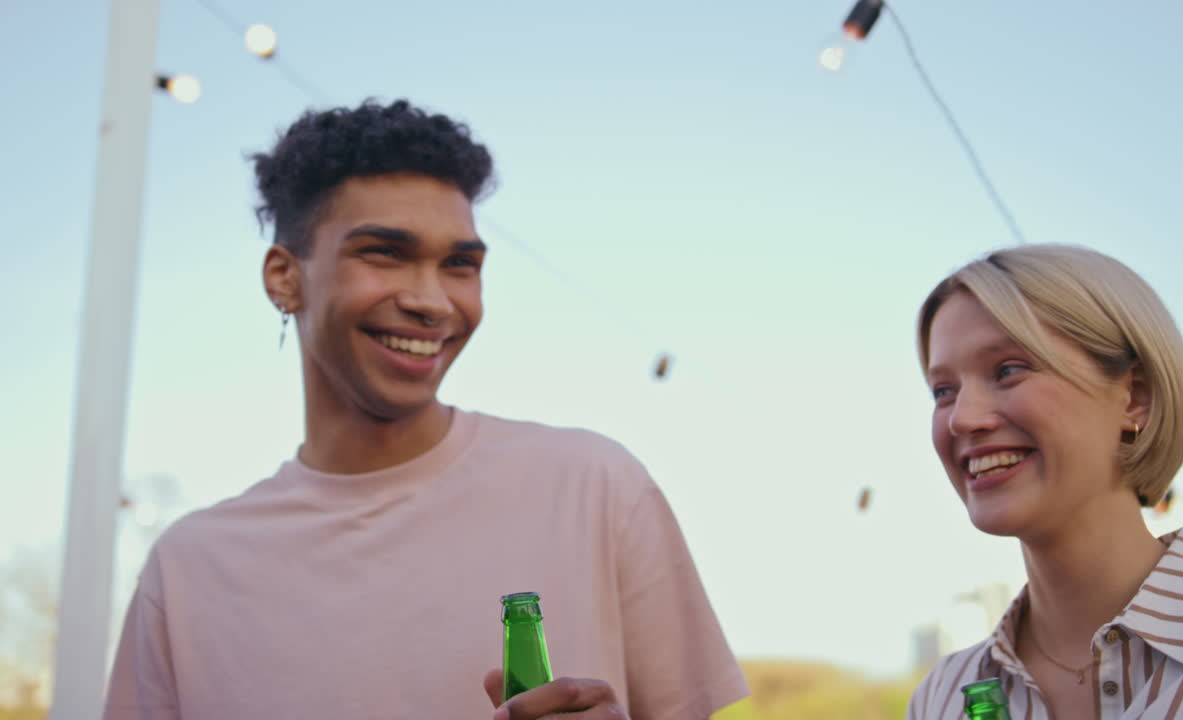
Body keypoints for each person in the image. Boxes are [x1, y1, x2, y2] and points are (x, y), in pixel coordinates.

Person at [103, 99, 748, 720]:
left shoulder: (596, 487)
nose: (432, 301)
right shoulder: (188, 573)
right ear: (284, 278)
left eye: (460, 264)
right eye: (385, 253)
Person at [907, 244, 1183, 718]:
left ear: (1134, 396)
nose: (962, 418)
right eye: (944, 391)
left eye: (1008, 370)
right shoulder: (941, 698)